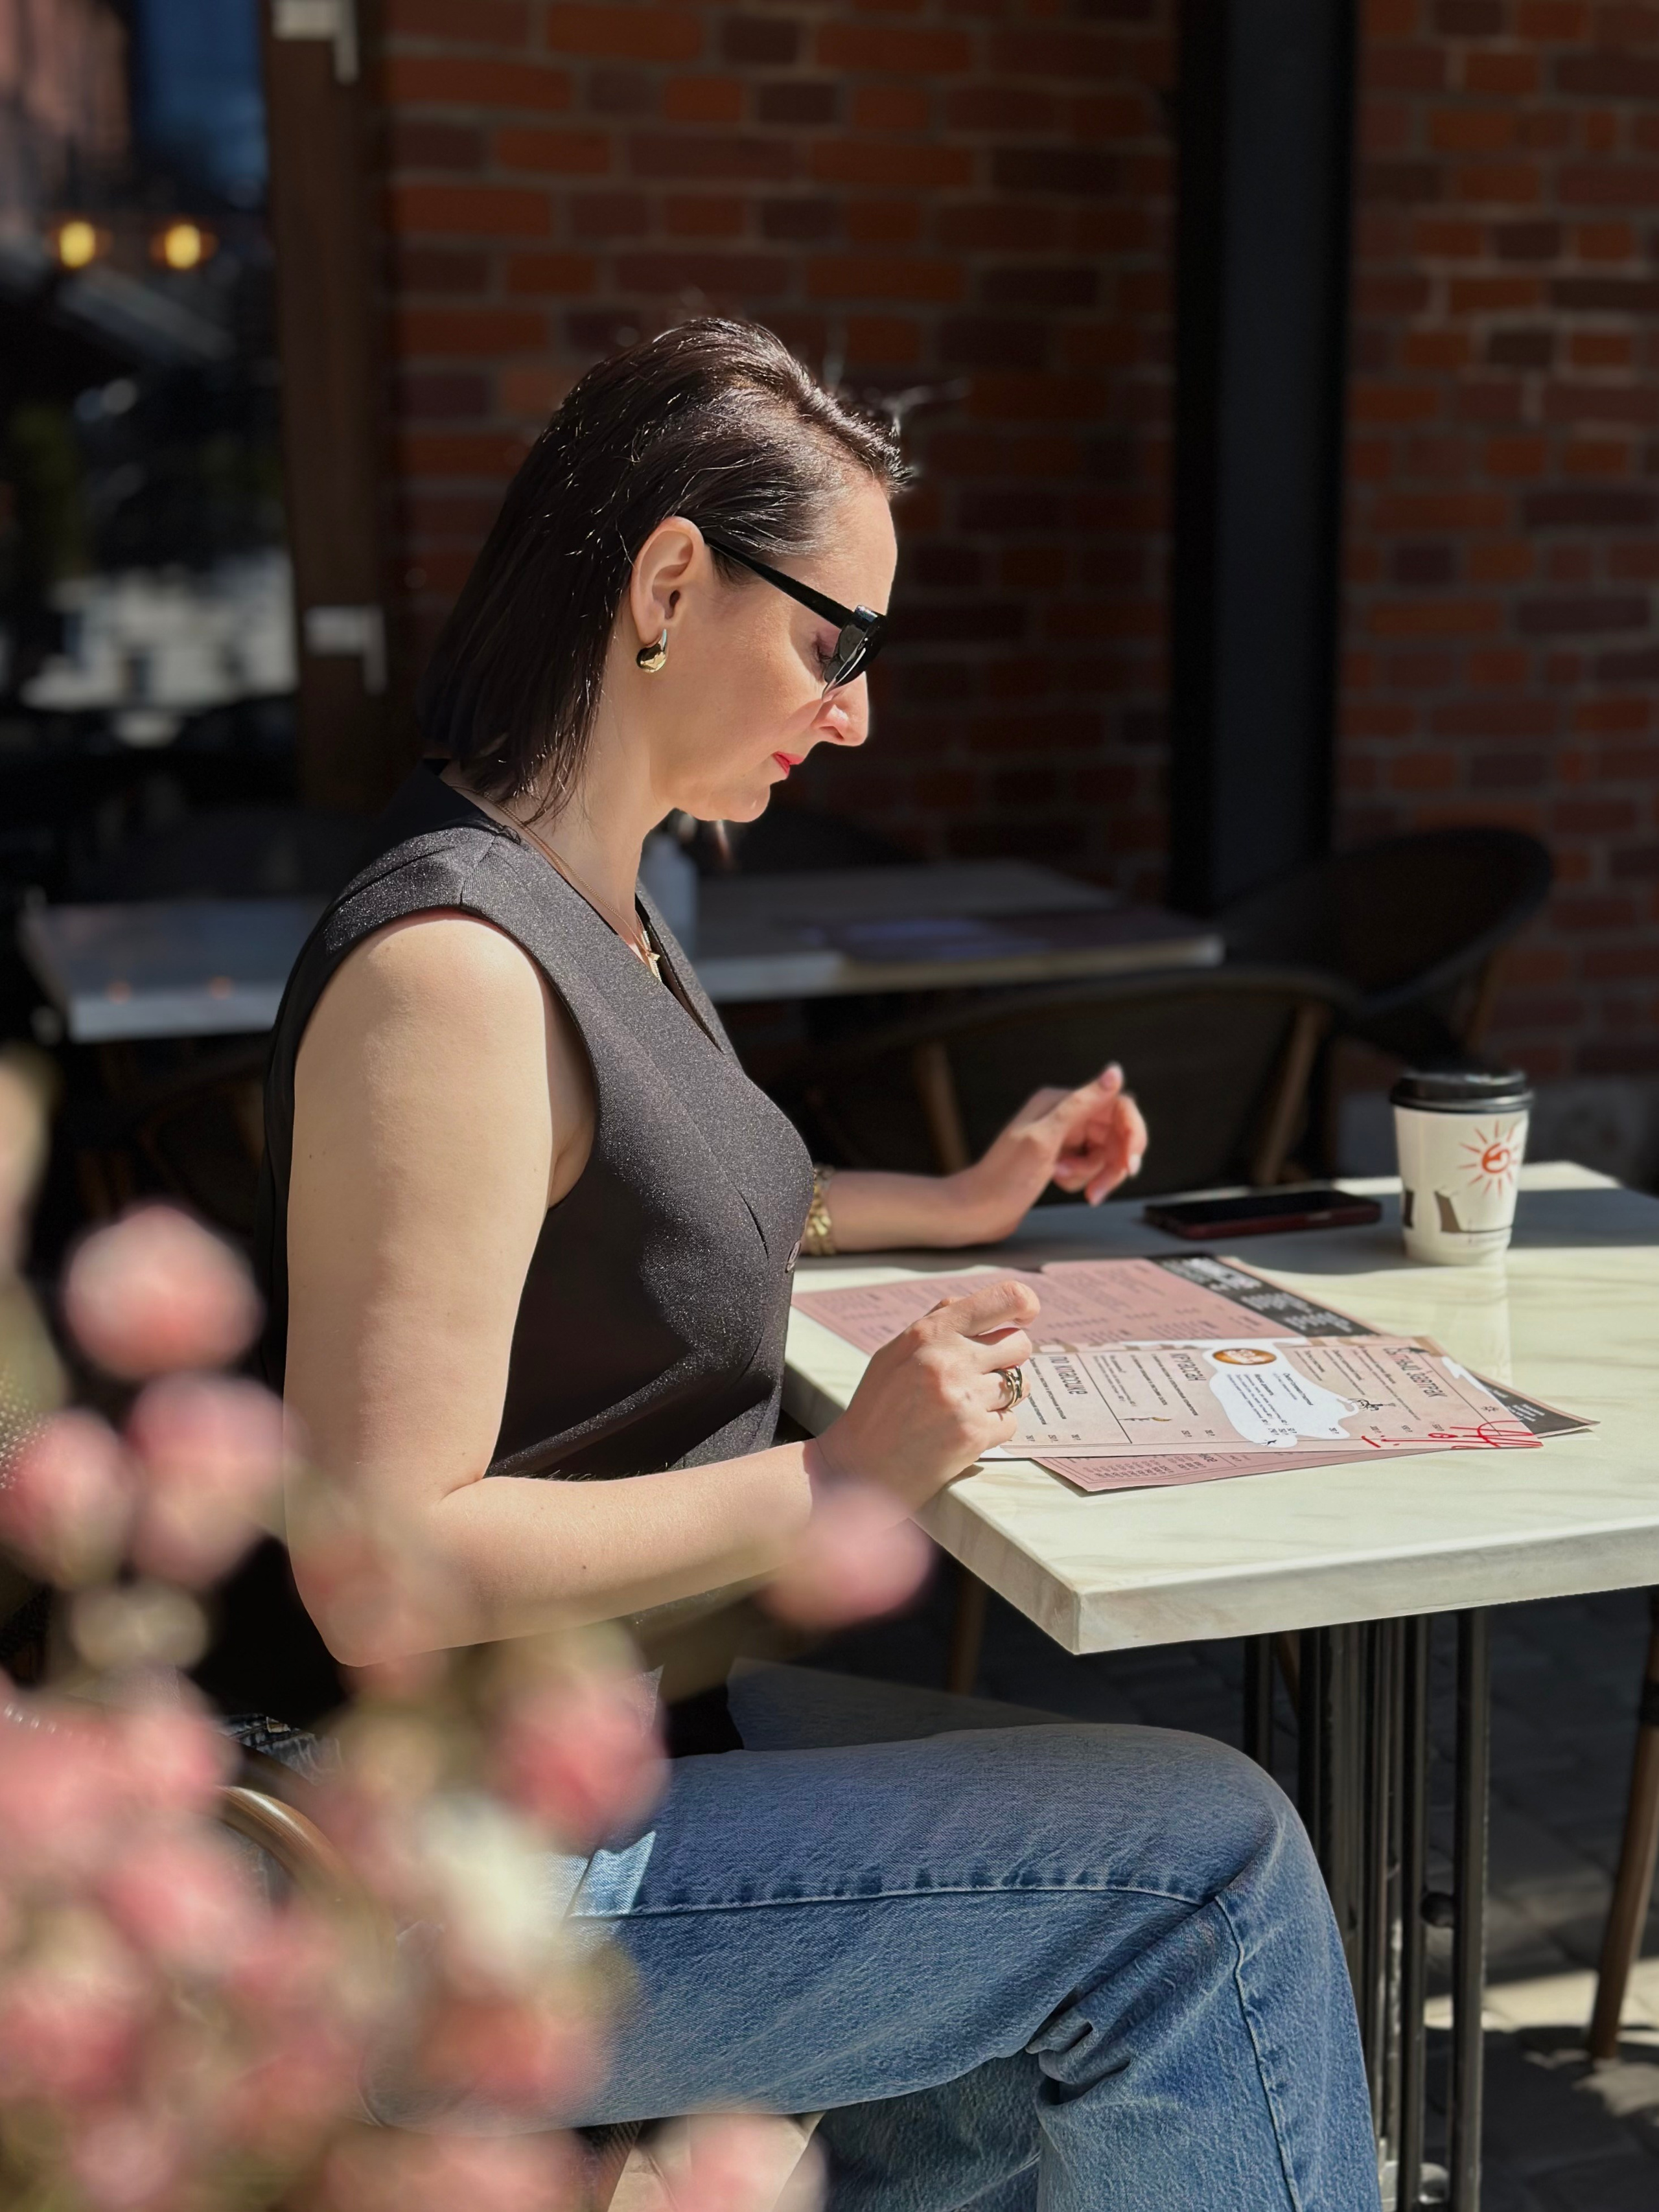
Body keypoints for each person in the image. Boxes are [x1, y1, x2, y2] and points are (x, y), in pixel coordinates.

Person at [257, 319, 1382, 2209]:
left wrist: (956, 1196)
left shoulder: (597, 912)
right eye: (834, 640)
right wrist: (842, 1476)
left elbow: (646, 1208)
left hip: (630, 1744)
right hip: (467, 1844)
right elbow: (379, 1565)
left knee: (1015, 2004)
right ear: (674, 580)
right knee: (1205, 1874)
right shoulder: (450, 971)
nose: (855, 708)